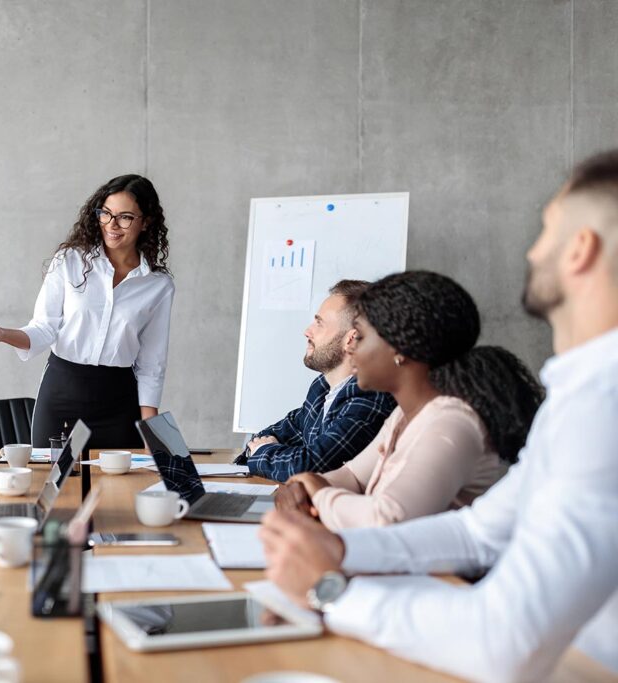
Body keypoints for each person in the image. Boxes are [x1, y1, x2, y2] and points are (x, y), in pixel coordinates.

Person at [258, 149, 618, 682]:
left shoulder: (601, 408)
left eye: (546, 231)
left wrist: (330, 588)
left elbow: (505, 643)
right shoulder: (581, 393)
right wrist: (337, 549)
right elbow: (478, 533)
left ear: (580, 250)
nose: (533, 249)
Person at [274, 271, 542, 530]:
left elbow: (387, 519)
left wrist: (317, 496)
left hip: (445, 577)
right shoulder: (403, 415)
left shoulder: (453, 424)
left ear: (399, 351)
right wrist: (304, 483)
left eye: (362, 336)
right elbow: (354, 476)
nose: (352, 348)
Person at [0, 174, 174, 449]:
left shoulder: (158, 286)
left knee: (119, 489)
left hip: (119, 402)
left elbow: (151, 363)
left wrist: (151, 431)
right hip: (62, 393)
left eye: (125, 217)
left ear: (146, 221)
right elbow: (44, 329)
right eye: (106, 214)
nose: (112, 225)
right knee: (54, 487)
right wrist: (0, 334)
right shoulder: (70, 262)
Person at [235, 280, 396, 481]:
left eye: (319, 323)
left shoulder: (371, 397)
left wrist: (263, 452)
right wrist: (261, 450)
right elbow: (269, 436)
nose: (307, 331)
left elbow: (310, 466)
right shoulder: (322, 388)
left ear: (351, 339)